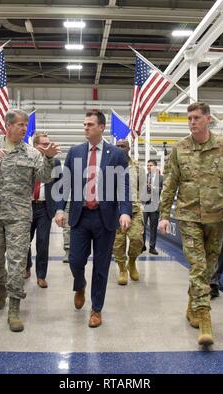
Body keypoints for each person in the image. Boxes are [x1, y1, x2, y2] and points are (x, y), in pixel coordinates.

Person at [158, 102, 223, 346]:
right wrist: (164, 215)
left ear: (208, 119)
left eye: (196, 117)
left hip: (217, 217)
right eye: (189, 118)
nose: (192, 122)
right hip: (188, 217)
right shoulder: (179, 149)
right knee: (198, 266)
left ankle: (192, 305)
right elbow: (169, 185)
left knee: (209, 268)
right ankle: (205, 318)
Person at [0, 109, 60, 332]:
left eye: (26, 125)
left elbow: (45, 177)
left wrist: (49, 157)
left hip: (18, 216)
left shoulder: (32, 153)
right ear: (8, 126)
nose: (24, 128)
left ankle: (14, 307)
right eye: (20, 124)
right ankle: (1, 287)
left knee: (17, 262)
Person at [55, 110, 131, 328]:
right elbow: (65, 183)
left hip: (104, 217)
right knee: (76, 261)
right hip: (80, 216)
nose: (85, 127)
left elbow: (123, 186)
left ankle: (96, 309)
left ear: (101, 127)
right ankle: (80, 285)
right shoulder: (75, 152)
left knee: (101, 265)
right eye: (84, 124)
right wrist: (60, 209)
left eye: (90, 124)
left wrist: (125, 211)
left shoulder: (116, 154)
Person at [24, 132, 61, 288]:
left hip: (45, 208)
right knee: (24, 241)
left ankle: (41, 275)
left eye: (48, 143)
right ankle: (26, 268)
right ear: (35, 146)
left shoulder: (55, 162)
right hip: (26, 207)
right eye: (44, 144)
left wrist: (59, 208)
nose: (48, 146)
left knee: (42, 242)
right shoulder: (26, 159)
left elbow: (60, 186)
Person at [113, 139, 143, 285]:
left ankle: (132, 261)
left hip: (135, 209)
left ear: (128, 148)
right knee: (118, 243)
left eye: (122, 146)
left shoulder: (136, 166)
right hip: (116, 210)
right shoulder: (109, 165)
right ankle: (122, 269)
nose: (119, 148)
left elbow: (141, 187)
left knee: (137, 238)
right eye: (117, 146)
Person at [141, 159, 163, 255]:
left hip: (155, 205)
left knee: (153, 228)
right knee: (142, 227)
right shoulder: (144, 177)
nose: (148, 167)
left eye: (150, 165)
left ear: (155, 166)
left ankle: (152, 247)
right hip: (145, 205)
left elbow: (163, 190)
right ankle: (142, 246)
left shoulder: (161, 178)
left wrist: (153, 188)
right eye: (147, 165)